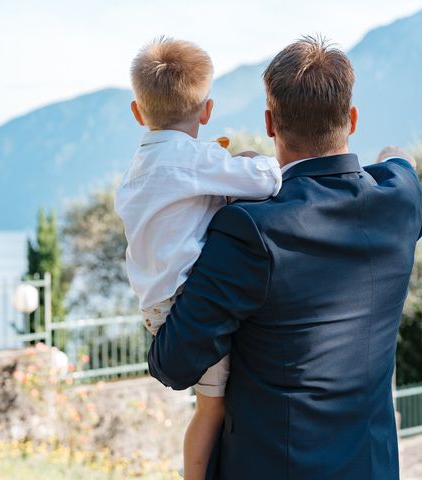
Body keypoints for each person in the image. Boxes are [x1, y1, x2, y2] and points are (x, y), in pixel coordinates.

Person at [148, 36, 422, 479]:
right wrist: (390, 164)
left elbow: (174, 363)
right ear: (351, 120)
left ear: (270, 124)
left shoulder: (250, 228)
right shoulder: (401, 201)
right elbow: (400, 161)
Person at [114, 37, 282, 479]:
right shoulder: (194, 158)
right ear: (206, 111)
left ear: (138, 112)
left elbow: (178, 213)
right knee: (213, 408)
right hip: (189, 301)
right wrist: (246, 158)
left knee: (204, 407)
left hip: (154, 305)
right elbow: (266, 180)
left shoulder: (137, 168)